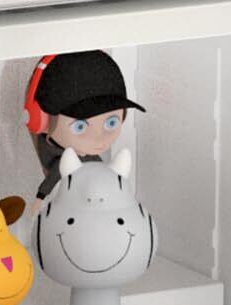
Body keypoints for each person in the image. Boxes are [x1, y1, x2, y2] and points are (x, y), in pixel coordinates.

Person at [24, 50, 146, 199]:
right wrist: (40, 198)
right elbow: (52, 181)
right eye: (80, 127)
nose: (99, 138)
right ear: (40, 120)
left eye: (111, 123)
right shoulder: (67, 162)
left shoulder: (87, 160)